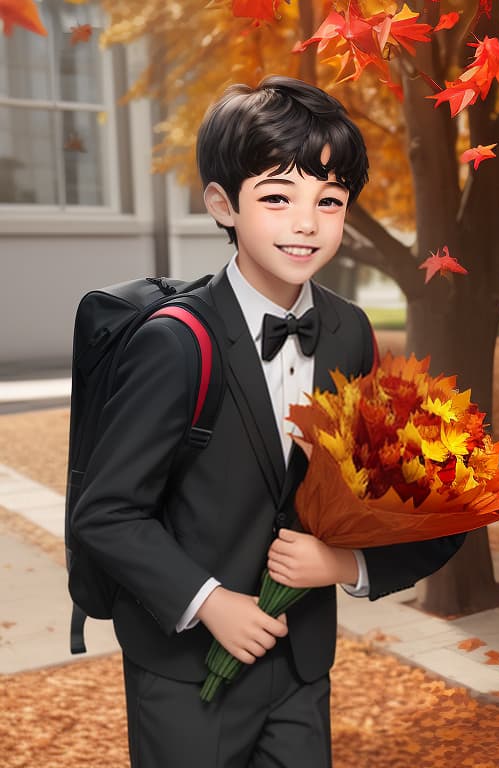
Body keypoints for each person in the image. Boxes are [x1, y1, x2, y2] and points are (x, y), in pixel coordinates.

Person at [71, 76, 464, 768]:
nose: (306, 223)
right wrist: (209, 601)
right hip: (187, 669)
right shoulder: (176, 342)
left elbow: (375, 492)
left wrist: (345, 563)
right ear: (222, 203)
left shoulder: (348, 331)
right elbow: (105, 513)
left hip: (302, 661)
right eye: (277, 197)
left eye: (330, 201)